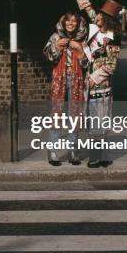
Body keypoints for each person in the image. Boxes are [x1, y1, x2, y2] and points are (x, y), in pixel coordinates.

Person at [71, 0, 122, 168]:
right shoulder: (95, 30)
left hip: (101, 85)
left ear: (107, 19)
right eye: (98, 14)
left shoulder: (112, 38)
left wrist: (94, 78)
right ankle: (100, 156)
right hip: (89, 82)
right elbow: (86, 6)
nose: (97, 16)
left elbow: (111, 65)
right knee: (94, 120)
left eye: (101, 15)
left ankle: (97, 157)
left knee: (100, 120)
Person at [43, 12, 88, 166]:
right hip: (60, 78)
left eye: (74, 21)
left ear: (78, 23)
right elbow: (49, 57)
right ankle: (53, 151)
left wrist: (80, 50)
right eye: (68, 21)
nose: (71, 23)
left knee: (75, 114)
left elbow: (87, 65)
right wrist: (56, 46)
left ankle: (72, 151)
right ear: (63, 23)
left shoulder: (82, 39)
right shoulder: (55, 37)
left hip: (76, 79)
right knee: (57, 114)